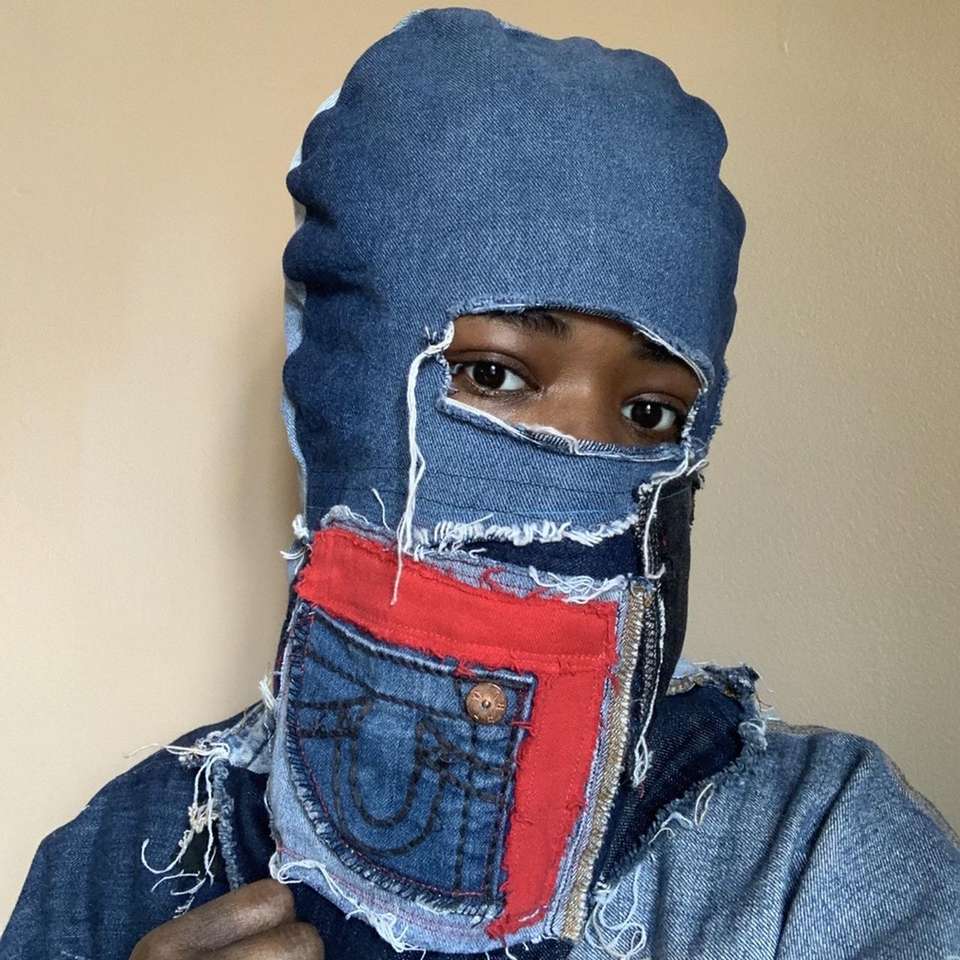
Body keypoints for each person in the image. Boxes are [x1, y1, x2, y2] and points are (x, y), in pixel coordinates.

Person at [2, 7, 958, 960]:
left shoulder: (820, 853)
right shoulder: (125, 863)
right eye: (494, 374)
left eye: (650, 413)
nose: (583, 449)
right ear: (328, 404)